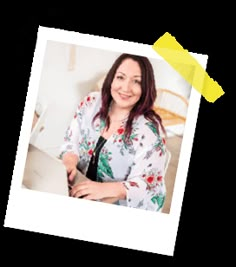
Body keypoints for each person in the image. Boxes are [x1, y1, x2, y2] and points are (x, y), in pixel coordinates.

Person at [59, 53, 167, 211]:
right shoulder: (91, 103)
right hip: (75, 190)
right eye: (121, 77)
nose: (126, 88)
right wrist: (69, 160)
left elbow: (150, 186)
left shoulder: (149, 131)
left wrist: (106, 189)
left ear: (146, 87)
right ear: (112, 78)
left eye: (136, 81)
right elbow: (71, 141)